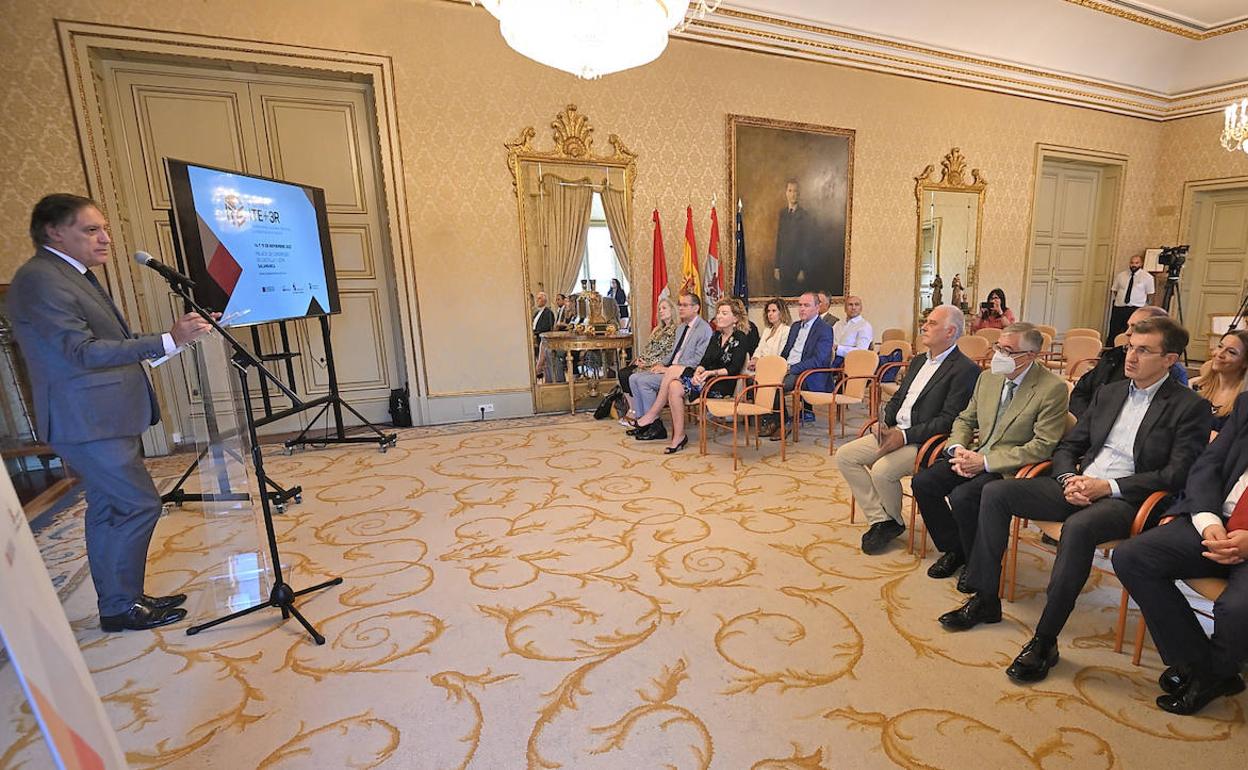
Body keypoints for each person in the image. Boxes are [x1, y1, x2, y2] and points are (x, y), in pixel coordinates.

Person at [944, 317, 1210, 685]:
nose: (1131, 357)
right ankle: (986, 597)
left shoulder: (1189, 406)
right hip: (1080, 483)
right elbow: (1069, 446)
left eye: (1144, 351)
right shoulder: (1110, 392)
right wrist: (1069, 477)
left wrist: (1107, 487)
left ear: (1170, 360)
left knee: (1078, 528)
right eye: (1131, 347)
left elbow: (1175, 475)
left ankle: (1045, 640)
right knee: (996, 492)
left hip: (1129, 498)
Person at [7, 194, 214, 632]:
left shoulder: (69, 274)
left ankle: (121, 600)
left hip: (102, 418)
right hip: (87, 421)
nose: (105, 238)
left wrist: (176, 340)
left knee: (109, 508)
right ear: (54, 232)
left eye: (104, 229)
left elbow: (107, 342)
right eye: (91, 230)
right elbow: (81, 351)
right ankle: (121, 607)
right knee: (138, 504)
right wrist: (166, 340)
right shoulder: (42, 279)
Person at [1113, 391, 1248, 716]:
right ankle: (1201, 665)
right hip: (1219, 521)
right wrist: (1208, 520)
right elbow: (1208, 464)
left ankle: (1215, 673)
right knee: (1132, 556)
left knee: (1237, 608)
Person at [911, 323, 1069, 587]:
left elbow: (1042, 446)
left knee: (964, 497)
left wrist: (984, 462)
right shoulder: (988, 378)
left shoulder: (1052, 388)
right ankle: (957, 549)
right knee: (924, 483)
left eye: (1008, 351)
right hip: (975, 454)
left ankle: (977, 564)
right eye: (998, 347)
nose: (999, 355)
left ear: (1031, 355)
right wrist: (958, 448)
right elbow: (965, 419)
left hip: (1009, 466)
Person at [837, 305, 980, 554]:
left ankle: (889, 521)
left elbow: (948, 420)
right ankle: (884, 520)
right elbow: (898, 398)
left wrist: (903, 436)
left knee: (882, 471)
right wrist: (884, 422)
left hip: (925, 441)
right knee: (845, 456)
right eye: (926, 321)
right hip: (896, 430)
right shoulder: (918, 361)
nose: (924, 327)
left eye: (932, 323)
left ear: (950, 331)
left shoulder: (965, 370)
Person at [652, 298, 751, 454]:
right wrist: (699, 371)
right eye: (718, 312)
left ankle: (653, 413)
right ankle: (679, 436)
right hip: (705, 380)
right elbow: (704, 360)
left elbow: (733, 369)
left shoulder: (741, 338)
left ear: (735, 319)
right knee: (674, 386)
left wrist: (710, 373)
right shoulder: (716, 336)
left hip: (721, 384)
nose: (719, 316)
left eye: (724, 313)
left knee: (673, 370)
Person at [1068, 305, 1188, 418]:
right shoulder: (1114, 356)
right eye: (1128, 326)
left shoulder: (1172, 372)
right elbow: (1081, 392)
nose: (1127, 332)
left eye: (1135, 327)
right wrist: (1088, 419)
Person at [627, 293, 713, 441]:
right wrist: (660, 364)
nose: (680, 308)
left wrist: (669, 369)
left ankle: (654, 425)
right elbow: (673, 353)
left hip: (686, 373)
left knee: (643, 381)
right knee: (634, 377)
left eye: (685, 305)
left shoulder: (704, 329)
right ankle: (643, 421)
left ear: (696, 308)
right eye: (680, 305)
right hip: (670, 368)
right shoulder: (681, 328)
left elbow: (698, 360)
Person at [758, 292, 834, 437]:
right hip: (788, 368)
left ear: (817, 308)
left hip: (808, 373)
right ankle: (776, 420)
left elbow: (819, 360)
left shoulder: (824, 329)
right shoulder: (795, 326)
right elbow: (786, 351)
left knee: (776, 386)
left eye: (806, 305)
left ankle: (782, 423)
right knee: (760, 381)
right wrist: (777, 366)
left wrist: (791, 368)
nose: (802, 309)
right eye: (800, 305)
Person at [617, 296, 679, 423]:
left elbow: (668, 353)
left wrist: (647, 363)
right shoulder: (657, 329)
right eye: (659, 309)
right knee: (623, 373)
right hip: (646, 361)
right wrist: (640, 359)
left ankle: (646, 416)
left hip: (658, 364)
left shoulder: (676, 330)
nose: (661, 311)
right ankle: (635, 410)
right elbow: (648, 348)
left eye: (664, 308)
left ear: (672, 310)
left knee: (630, 376)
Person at [1193, 330, 1248, 433]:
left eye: (1231, 352)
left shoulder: (1243, 402)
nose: (1220, 354)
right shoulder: (1196, 386)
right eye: (1220, 346)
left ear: (1245, 362)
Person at [774, 179, 814, 294]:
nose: (793, 194)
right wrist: (777, 267)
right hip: (783, 266)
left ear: (799, 193)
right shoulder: (782, 214)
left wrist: (802, 269)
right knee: (783, 298)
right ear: (786, 193)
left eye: (795, 191)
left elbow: (806, 245)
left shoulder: (805, 216)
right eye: (790, 191)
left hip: (797, 268)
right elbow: (779, 241)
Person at [1108, 253, 1154, 342]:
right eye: (1132, 263)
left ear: (1141, 264)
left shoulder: (1147, 277)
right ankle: (1111, 348)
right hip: (1120, 308)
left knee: (1133, 332)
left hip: (1136, 309)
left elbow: (1150, 293)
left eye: (1136, 263)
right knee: (1114, 331)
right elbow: (1115, 290)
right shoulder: (1121, 275)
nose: (1134, 265)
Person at [832, 295, 873, 365]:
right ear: (845, 308)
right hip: (831, 357)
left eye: (856, 304)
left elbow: (861, 352)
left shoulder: (865, 326)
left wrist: (838, 348)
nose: (853, 308)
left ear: (861, 308)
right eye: (850, 305)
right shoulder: (838, 324)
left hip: (849, 363)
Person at [752, 298, 791, 363]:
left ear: (782, 313)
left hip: (774, 364)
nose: (770, 314)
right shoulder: (767, 330)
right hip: (760, 363)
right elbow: (759, 348)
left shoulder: (786, 330)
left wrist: (761, 362)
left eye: (774, 311)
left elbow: (780, 354)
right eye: (768, 311)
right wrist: (755, 359)